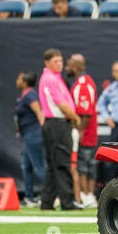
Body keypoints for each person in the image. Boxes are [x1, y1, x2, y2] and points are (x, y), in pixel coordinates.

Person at [38, 48, 82, 211]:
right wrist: (76, 118)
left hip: (54, 124)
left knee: (54, 165)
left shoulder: (54, 78)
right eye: (55, 61)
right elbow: (62, 105)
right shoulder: (50, 79)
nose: (59, 64)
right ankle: (67, 203)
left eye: (61, 60)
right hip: (58, 124)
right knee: (63, 164)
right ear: (47, 63)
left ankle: (47, 202)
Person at [65, 54, 99, 208]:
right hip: (89, 131)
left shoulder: (83, 83)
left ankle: (86, 195)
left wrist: (80, 131)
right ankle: (89, 195)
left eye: (68, 65)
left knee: (83, 165)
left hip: (85, 132)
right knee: (89, 165)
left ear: (76, 66)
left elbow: (85, 112)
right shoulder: (84, 81)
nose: (66, 68)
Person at [15, 71, 45, 208]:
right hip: (27, 135)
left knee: (39, 165)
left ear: (25, 82)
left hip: (34, 134)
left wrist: (43, 131)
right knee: (26, 166)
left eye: (19, 79)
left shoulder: (30, 95)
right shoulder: (23, 96)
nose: (17, 81)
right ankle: (28, 197)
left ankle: (53, 194)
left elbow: (39, 112)